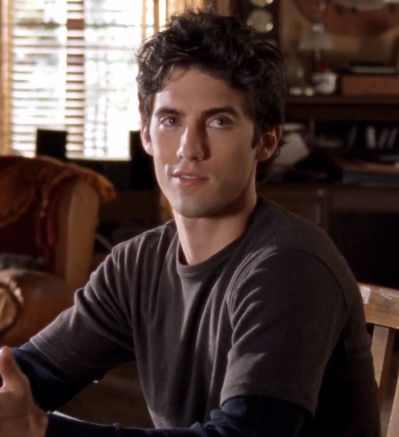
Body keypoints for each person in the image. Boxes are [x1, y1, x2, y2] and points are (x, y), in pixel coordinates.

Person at [0, 10, 380, 437]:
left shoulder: (290, 266)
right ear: (146, 134)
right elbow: (28, 377)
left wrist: (45, 432)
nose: (189, 148)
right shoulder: (136, 265)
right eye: (170, 120)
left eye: (219, 121)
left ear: (266, 141)